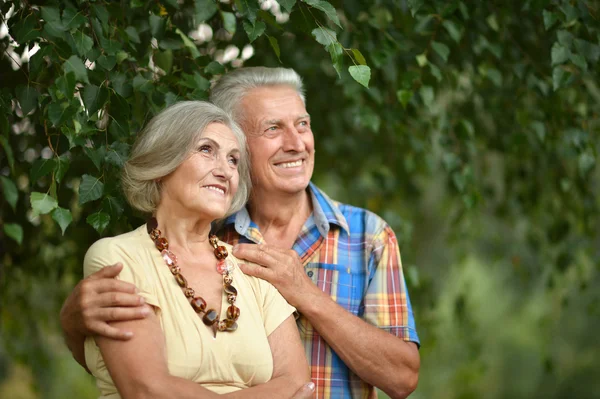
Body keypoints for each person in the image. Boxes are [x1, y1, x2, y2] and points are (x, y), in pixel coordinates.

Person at [61, 68, 420, 398]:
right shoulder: (207, 233)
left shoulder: (367, 236)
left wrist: (305, 293)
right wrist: (74, 326)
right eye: (273, 128)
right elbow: (129, 375)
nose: (297, 143)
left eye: (303, 124)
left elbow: (401, 379)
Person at [75, 100, 312, 398]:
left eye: (233, 160)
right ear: (162, 164)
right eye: (206, 150)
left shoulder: (252, 269)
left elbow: (299, 384)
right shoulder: (117, 258)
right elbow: (147, 390)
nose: (225, 171)